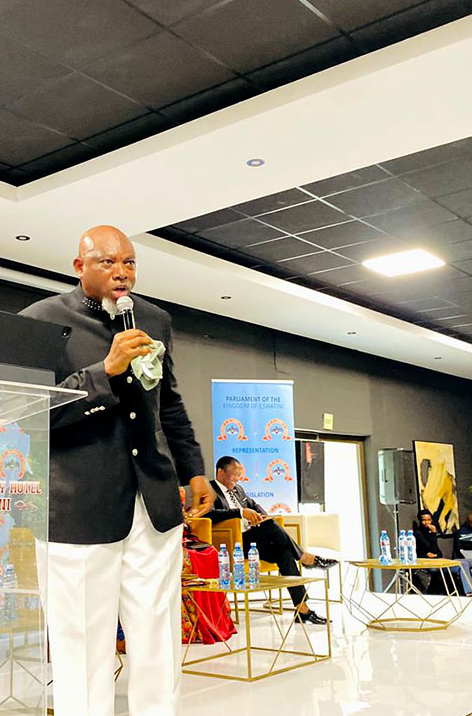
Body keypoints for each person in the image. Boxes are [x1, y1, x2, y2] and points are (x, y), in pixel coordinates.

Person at [20, 225, 215, 716]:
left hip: (154, 504)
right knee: (83, 644)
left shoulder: (154, 320)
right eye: (107, 262)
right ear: (79, 266)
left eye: (129, 262)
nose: (121, 272)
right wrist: (102, 372)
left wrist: (193, 469)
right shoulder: (39, 320)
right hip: (77, 509)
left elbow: (168, 403)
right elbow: (26, 415)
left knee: (159, 636)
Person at [206, 456, 334, 625]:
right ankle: (305, 557)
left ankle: (302, 610)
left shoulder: (238, 490)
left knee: (284, 553)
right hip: (232, 543)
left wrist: (261, 515)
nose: (237, 479)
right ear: (220, 472)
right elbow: (209, 514)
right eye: (234, 474)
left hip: (252, 541)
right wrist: (240, 513)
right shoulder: (209, 490)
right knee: (271, 526)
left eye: (239, 475)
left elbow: (254, 504)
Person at [414, 509, 472, 596]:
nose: (427, 523)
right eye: (424, 520)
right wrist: (433, 534)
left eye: (429, 520)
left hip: (441, 560)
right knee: (463, 564)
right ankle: (468, 593)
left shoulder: (429, 532)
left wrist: (435, 552)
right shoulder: (418, 533)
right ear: (420, 520)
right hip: (432, 564)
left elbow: (438, 552)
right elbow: (431, 549)